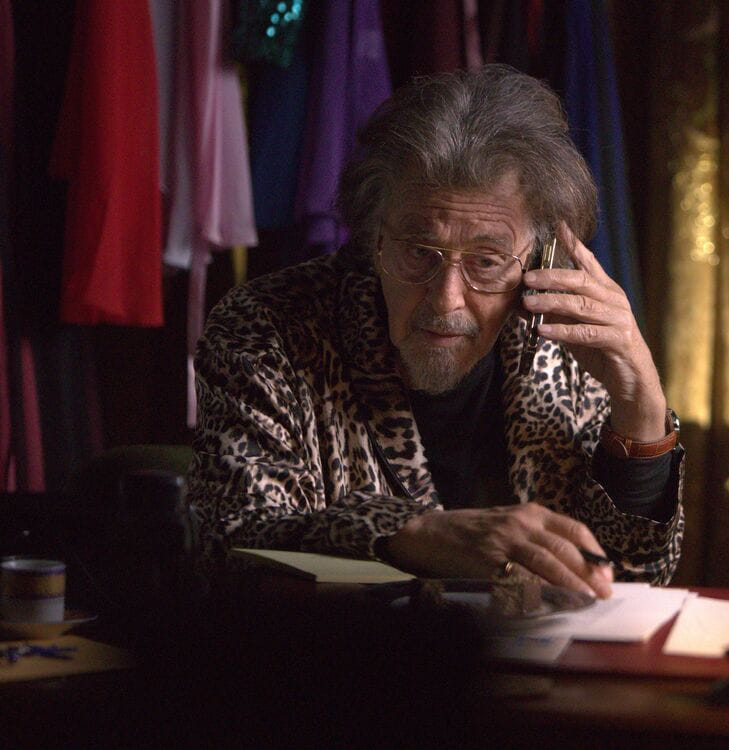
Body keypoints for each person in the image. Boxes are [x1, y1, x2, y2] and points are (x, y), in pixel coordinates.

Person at [187, 65, 684, 598]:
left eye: (487, 261)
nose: (446, 298)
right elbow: (233, 544)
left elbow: (628, 580)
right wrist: (409, 534)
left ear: (538, 259)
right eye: (419, 252)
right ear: (374, 238)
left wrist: (641, 408)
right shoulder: (266, 329)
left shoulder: (564, 343)